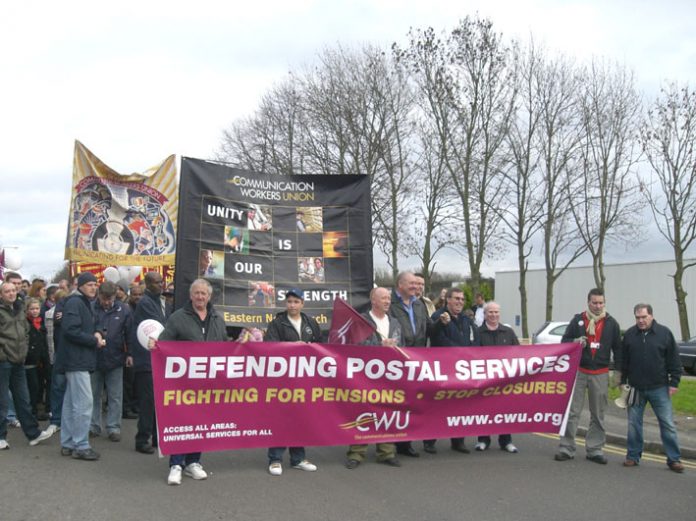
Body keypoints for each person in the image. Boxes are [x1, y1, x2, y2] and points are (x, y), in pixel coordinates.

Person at [157, 279, 227, 485]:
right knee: (182, 422)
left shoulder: (217, 318)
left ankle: (193, 462)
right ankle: (176, 464)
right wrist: (156, 345)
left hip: (208, 384)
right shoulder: (178, 318)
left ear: (209, 296)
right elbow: (164, 343)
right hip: (183, 384)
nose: (200, 297)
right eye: (196, 293)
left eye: (203, 294)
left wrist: (241, 344)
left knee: (202, 422)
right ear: (190, 295)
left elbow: (224, 347)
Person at [555, 288, 621, 465]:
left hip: (600, 373)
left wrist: (618, 373)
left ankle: (595, 449)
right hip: (578, 371)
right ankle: (566, 447)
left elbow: (618, 349)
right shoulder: (578, 320)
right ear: (588, 302)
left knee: (598, 414)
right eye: (594, 302)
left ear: (604, 303)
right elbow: (564, 343)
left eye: (601, 303)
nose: (598, 306)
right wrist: (575, 342)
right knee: (573, 412)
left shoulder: (611, 323)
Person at [621, 303, 684, 473]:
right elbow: (624, 362)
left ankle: (674, 459)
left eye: (644, 317)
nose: (640, 321)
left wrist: (674, 383)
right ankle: (633, 456)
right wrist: (622, 382)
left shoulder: (664, 333)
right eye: (637, 317)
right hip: (635, 388)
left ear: (651, 316)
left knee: (667, 424)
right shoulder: (629, 335)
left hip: (659, 388)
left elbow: (674, 360)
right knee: (634, 424)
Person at [264, 287, 320, 476]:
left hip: (304, 379)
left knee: (300, 418)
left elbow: (321, 346)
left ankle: (298, 458)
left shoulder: (311, 323)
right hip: (282, 380)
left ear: (302, 303)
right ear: (285, 304)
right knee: (280, 418)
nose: (292, 305)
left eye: (296, 302)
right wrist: (292, 347)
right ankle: (275, 458)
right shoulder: (277, 323)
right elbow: (269, 348)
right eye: (289, 301)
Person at [345, 287, 402, 470]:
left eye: (389, 298)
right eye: (383, 298)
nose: (387, 301)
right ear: (373, 300)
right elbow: (356, 345)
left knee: (387, 412)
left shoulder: (395, 322)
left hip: (389, 376)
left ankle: (386, 452)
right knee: (363, 411)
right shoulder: (361, 321)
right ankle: (356, 453)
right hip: (366, 375)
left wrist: (394, 346)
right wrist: (379, 345)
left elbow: (402, 344)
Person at [0, 282, 54, 450]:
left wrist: (23, 353)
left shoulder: (20, 308)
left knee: (23, 399)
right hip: (3, 361)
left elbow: (25, 332)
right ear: (1, 294)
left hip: (18, 361)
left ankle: (33, 434)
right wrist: (3, 356)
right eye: (7, 291)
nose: (11, 293)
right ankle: (1, 436)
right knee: (2, 401)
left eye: (13, 290)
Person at [56, 272, 104, 460]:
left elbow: (91, 325)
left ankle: (68, 443)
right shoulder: (76, 302)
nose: (94, 287)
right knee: (84, 404)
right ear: (81, 286)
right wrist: (94, 340)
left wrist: (98, 332)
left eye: (95, 284)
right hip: (76, 360)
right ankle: (81, 445)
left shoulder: (82, 302)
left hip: (75, 359)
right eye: (90, 284)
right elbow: (71, 330)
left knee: (70, 404)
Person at [426, 287, 479, 454]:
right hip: (444, 369)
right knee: (438, 406)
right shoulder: (438, 316)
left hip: (462, 370)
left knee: (460, 406)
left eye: (462, 299)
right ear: (447, 300)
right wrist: (461, 353)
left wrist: (469, 353)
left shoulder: (466, 319)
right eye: (456, 298)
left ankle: (458, 441)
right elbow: (438, 339)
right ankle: (429, 440)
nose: (459, 302)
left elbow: (475, 340)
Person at [389, 271, 431, 457]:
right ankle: (391, 443)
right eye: (412, 284)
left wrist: (442, 323)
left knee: (412, 402)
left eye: (417, 284)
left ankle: (406, 443)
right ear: (400, 285)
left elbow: (428, 328)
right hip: (396, 361)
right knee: (395, 402)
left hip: (417, 361)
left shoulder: (420, 304)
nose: (416, 287)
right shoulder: (389, 303)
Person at [131, 271, 169, 454]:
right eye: (157, 282)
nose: (161, 284)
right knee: (147, 401)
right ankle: (142, 438)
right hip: (146, 359)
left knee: (156, 401)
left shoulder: (156, 301)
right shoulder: (147, 303)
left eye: (161, 281)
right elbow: (161, 324)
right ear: (148, 283)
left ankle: (154, 436)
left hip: (154, 357)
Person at [90, 281, 133, 442]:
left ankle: (113, 427)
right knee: (94, 395)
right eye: (104, 298)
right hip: (94, 357)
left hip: (116, 358)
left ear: (115, 296)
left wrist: (130, 353)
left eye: (110, 298)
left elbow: (129, 333)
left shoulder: (124, 309)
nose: (107, 302)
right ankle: (94, 426)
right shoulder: (91, 307)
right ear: (98, 295)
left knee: (115, 396)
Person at [476, 301, 519, 453]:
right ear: (485, 314)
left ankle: (506, 441)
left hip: (504, 380)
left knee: (504, 410)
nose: (493, 315)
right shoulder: (477, 332)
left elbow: (519, 353)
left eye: (496, 312)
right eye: (490, 312)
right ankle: (483, 440)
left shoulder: (508, 332)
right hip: (484, 379)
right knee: (483, 410)